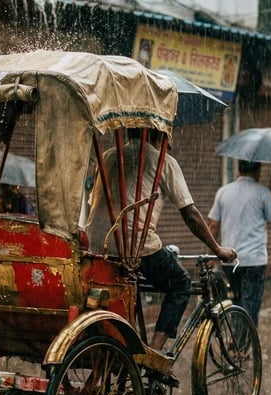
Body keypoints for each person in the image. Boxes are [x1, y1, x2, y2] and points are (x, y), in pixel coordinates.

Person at [87, 129, 237, 352]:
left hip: (97, 245)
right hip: (134, 248)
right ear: (159, 135)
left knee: (133, 287)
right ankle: (154, 353)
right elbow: (190, 213)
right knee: (180, 284)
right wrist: (217, 249)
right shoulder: (163, 162)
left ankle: (128, 346)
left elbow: (95, 201)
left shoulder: (109, 155)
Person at [207, 160, 271, 327]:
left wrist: (212, 255)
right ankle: (242, 349)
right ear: (258, 170)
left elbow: (213, 226)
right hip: (254, 262)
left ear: (239, 170)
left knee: (235, 305)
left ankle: (236, 345)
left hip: (230, 260)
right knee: (250, 308)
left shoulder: (223, 192)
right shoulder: (263, 193)